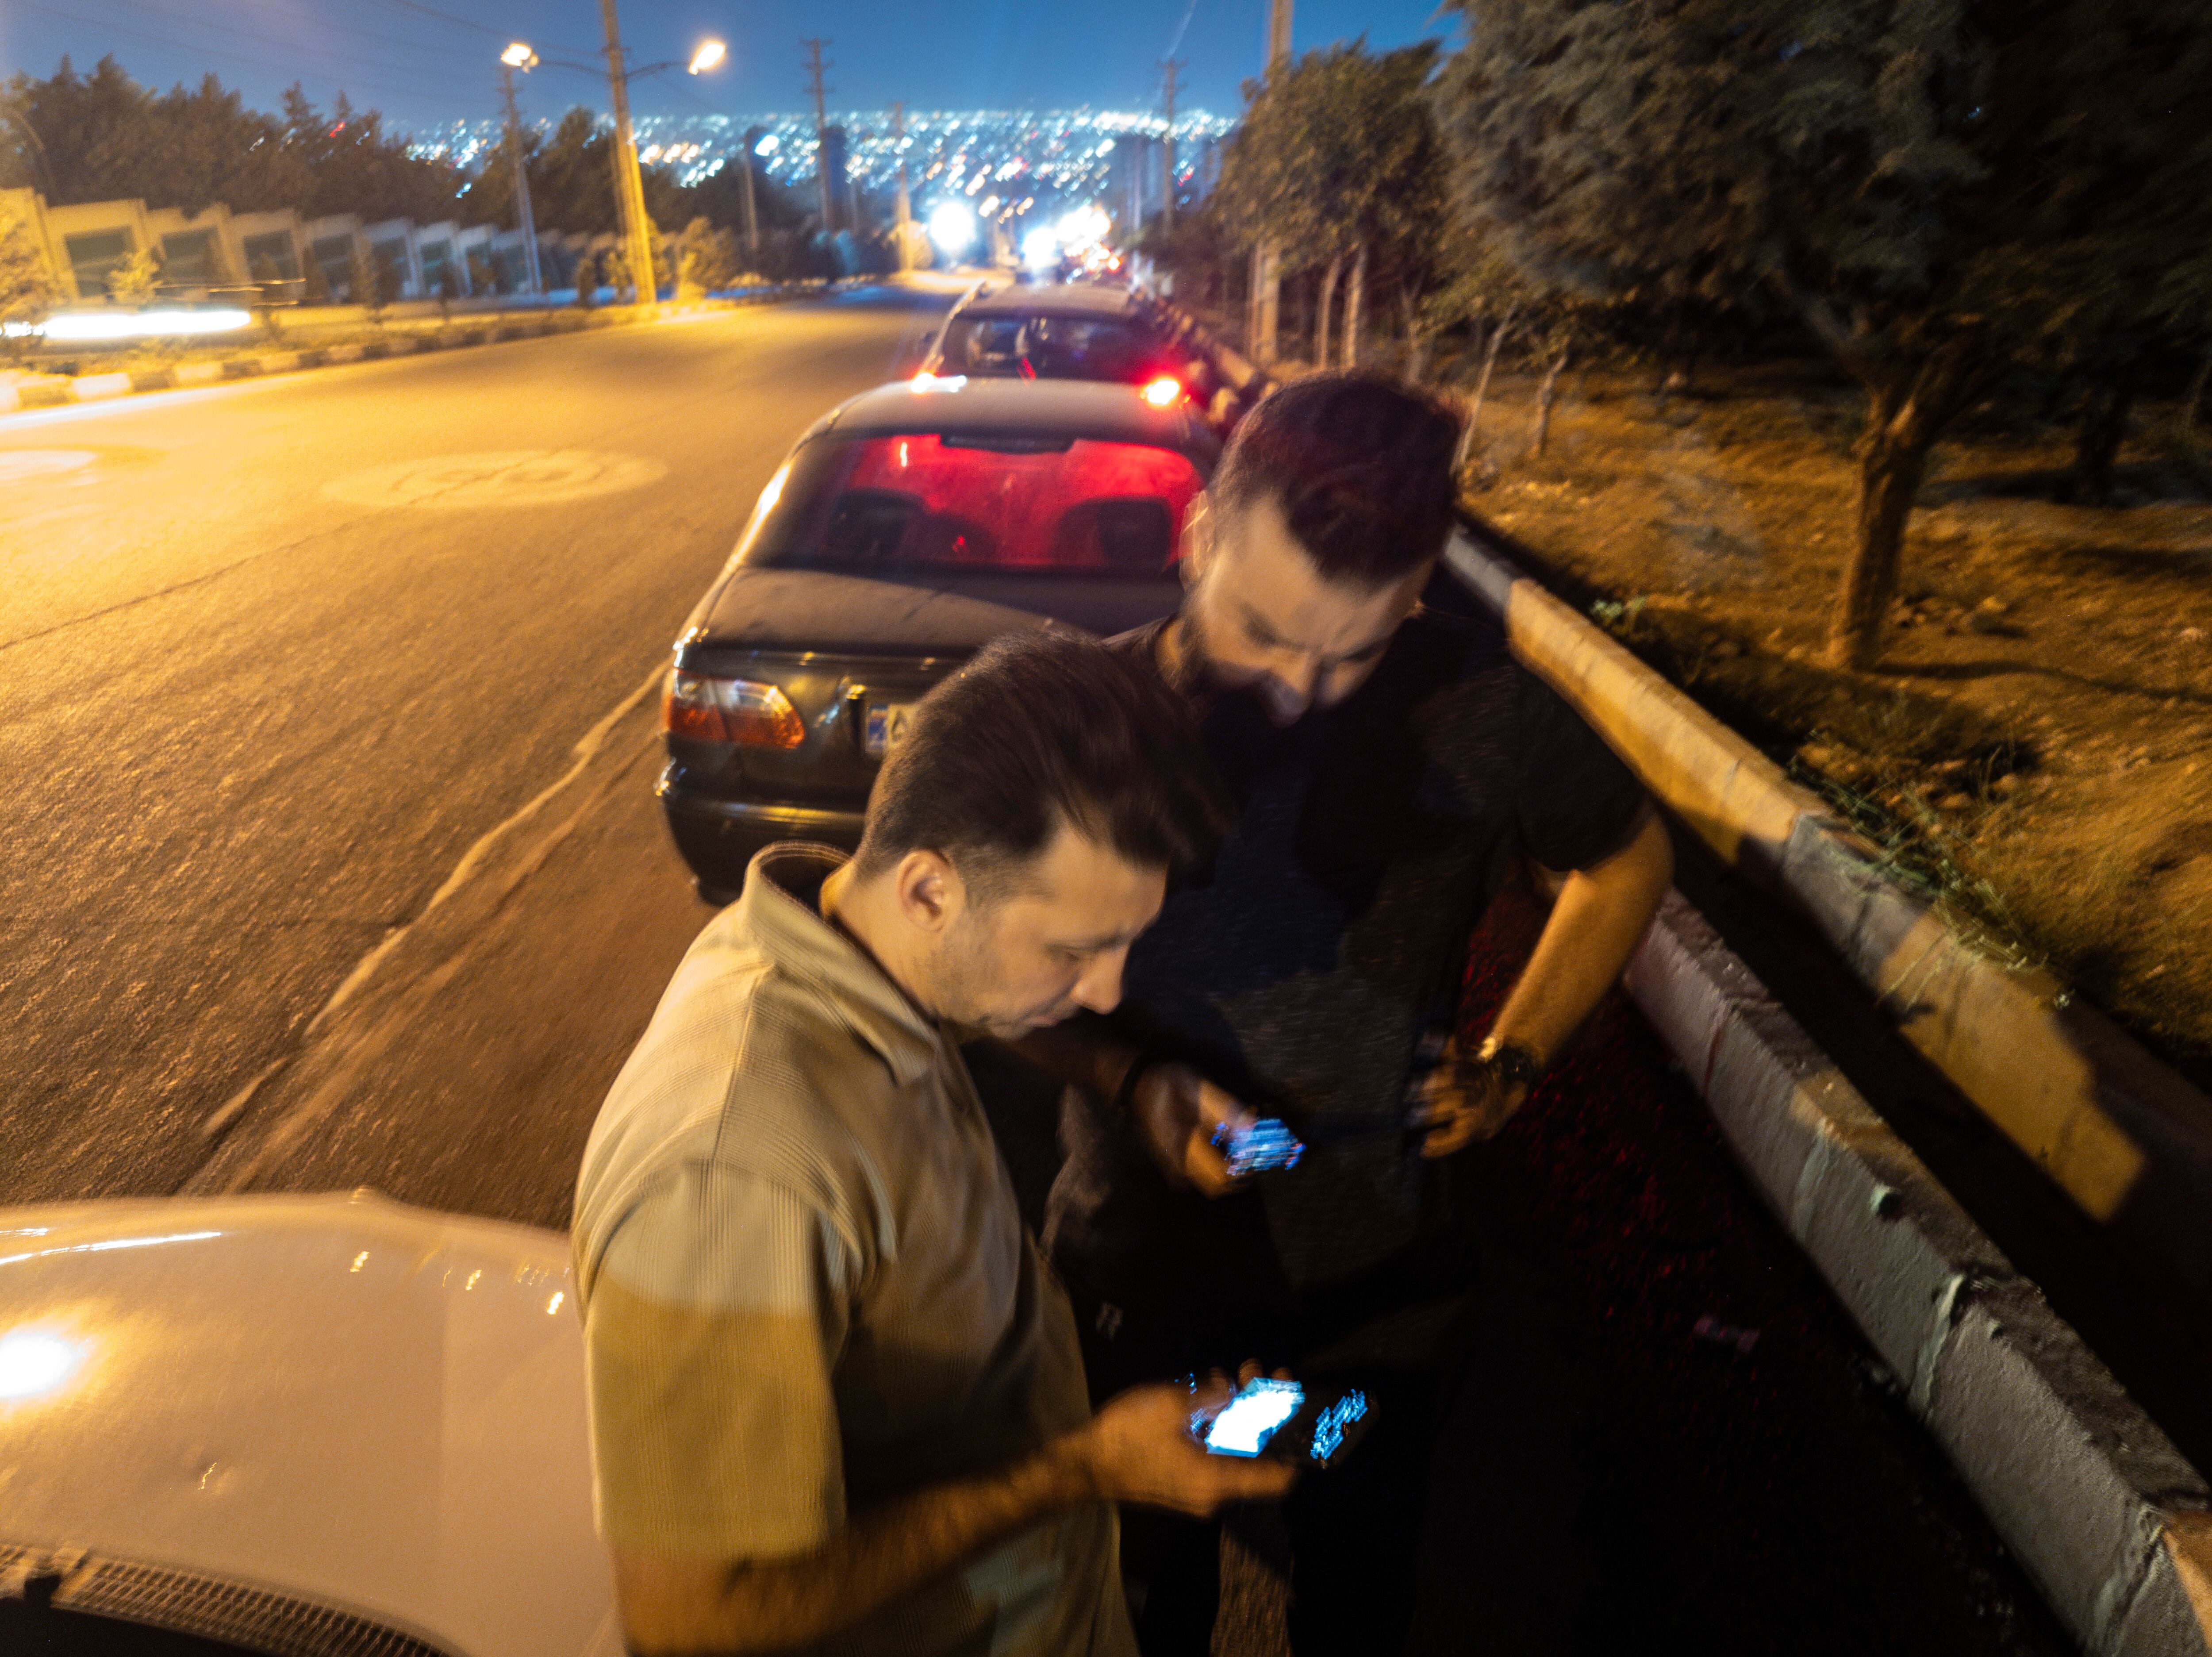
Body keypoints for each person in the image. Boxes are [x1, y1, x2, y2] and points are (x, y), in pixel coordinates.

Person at [1013, 372, 1676, 1653]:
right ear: (1201, 535)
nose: (1302, 687)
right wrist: (1127, 1083)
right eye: (1263, 628)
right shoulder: (1080, 728)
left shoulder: (1478, 711)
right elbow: (991, 985)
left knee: (1359, 1591)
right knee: (1144, 1600)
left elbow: (1629, 859)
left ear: (1421, 587)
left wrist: (1516, 1056)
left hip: (1377, 1322)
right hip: (1144, 1301)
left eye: (1354, 649)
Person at [572, 633, 1296, 1657]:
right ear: (927, 891)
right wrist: (1083, 1471)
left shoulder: (873, 959)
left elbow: (1004, 1008)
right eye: (1075, 949)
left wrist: (1128, 1080)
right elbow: (700, 1621)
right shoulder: (734, 1170)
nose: (1107, 992)